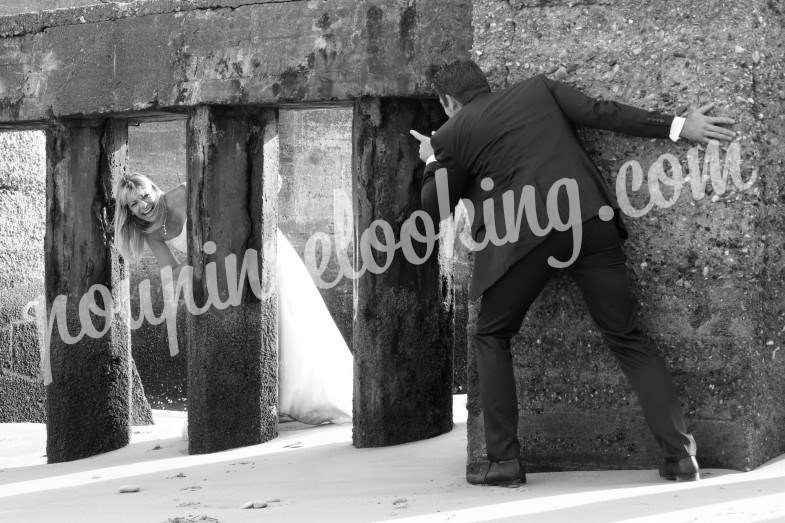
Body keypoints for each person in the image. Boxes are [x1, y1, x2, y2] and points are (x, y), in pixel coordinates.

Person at [410, 60, 736, 486]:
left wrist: (434, 157)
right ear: (485, 84)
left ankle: (504, 463)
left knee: (491, 335)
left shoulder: (450, 134)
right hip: (589, 221)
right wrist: (678, 125)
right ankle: (680, 457)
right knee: (626, 336)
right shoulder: (537, 90)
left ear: (448, 101)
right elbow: (604, 112)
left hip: (523, 243)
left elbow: (434, 209)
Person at [113, 172, 353, 427]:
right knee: (253, 329)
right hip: (225, 271)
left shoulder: (184, 192)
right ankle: (276, 401)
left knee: (289, 315)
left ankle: (306, 396)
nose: (142, 206)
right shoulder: (150, 231)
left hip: (253, 249)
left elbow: (232, 190)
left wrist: (267, 179)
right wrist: (197, 257)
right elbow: (170, 272)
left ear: (154, 188)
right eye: (133, 205)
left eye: (144, 196)